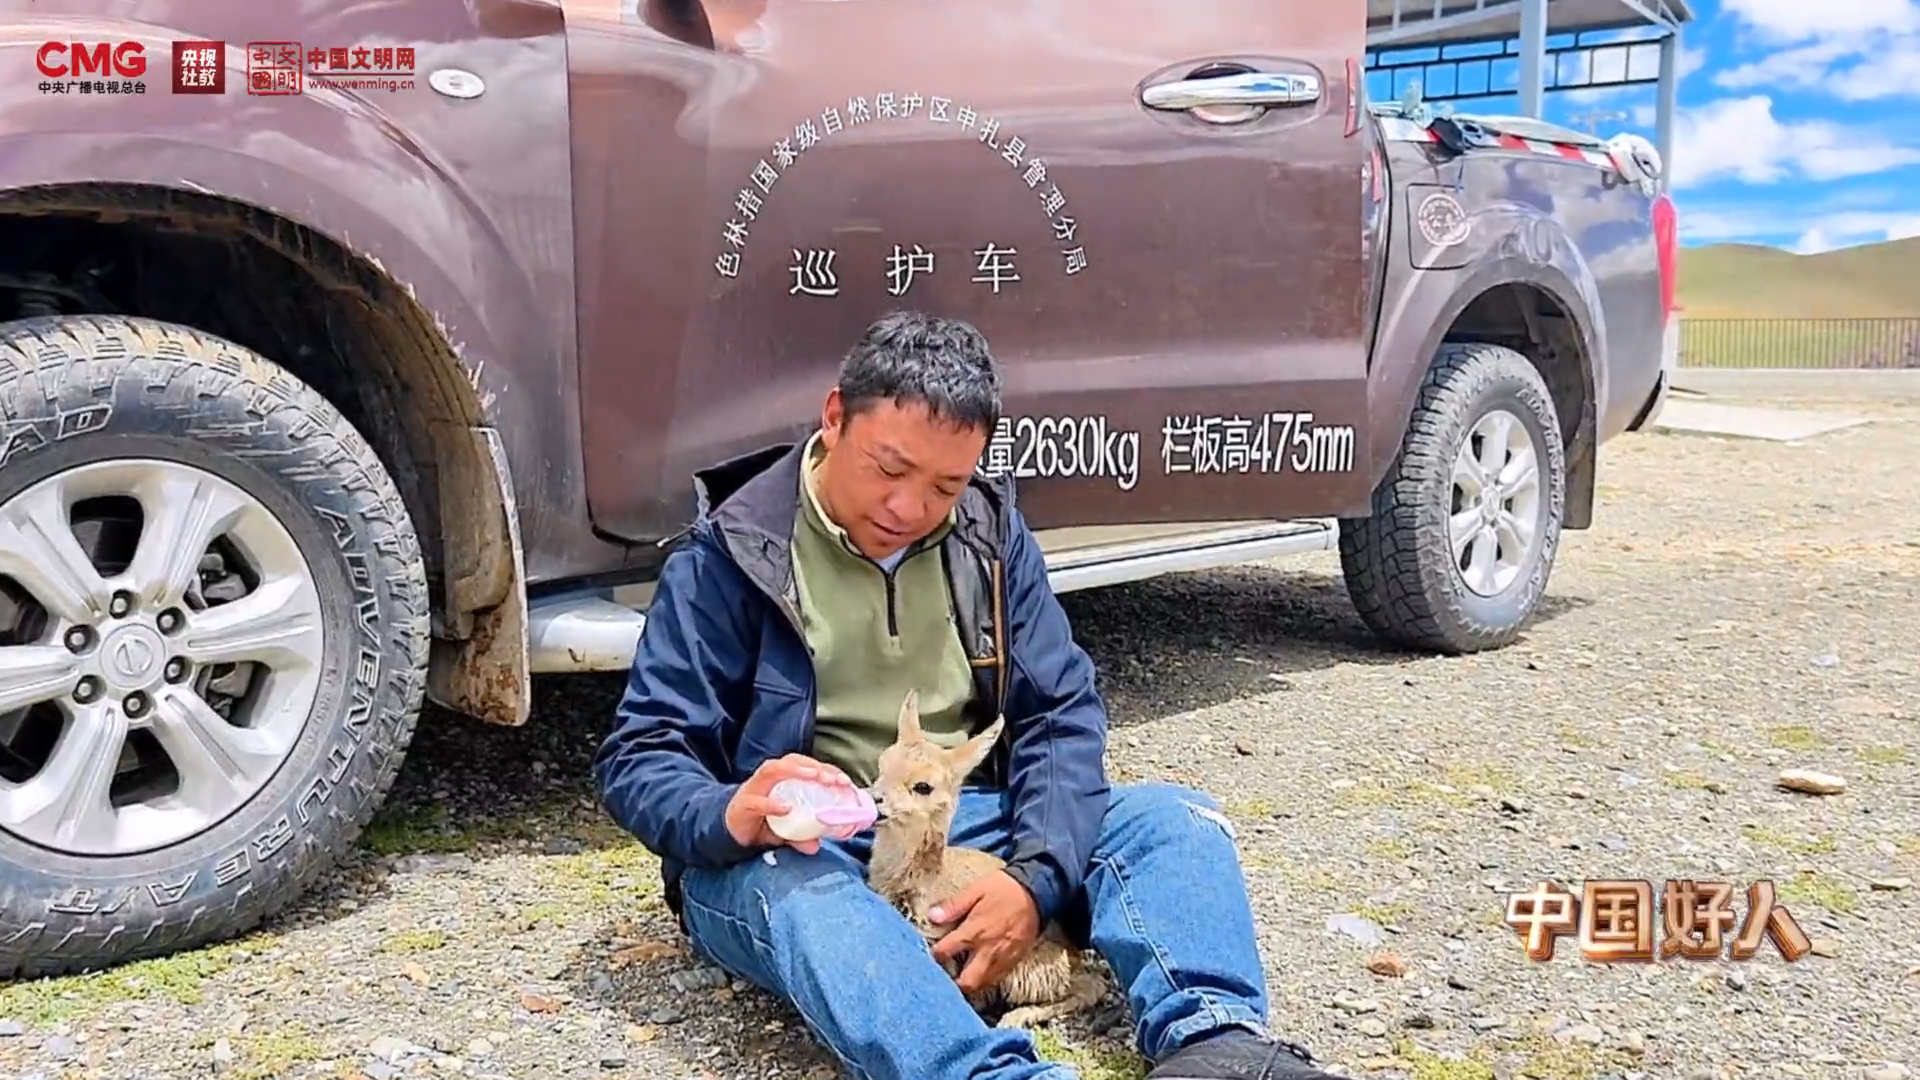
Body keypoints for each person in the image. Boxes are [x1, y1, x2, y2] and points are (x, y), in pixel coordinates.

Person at [592, 311, 1342, 1080]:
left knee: (1169, 821)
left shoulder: (989, 535)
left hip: (965, 820)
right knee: (809, 902)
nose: (908, 509)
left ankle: (1216, 1043)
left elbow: (1058, 715)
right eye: (888, 469)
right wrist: (732, 812)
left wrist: (1032, 880)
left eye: (945, 486)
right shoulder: (726, 554)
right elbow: (642, 755)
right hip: (802, 847)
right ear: (834, 417)